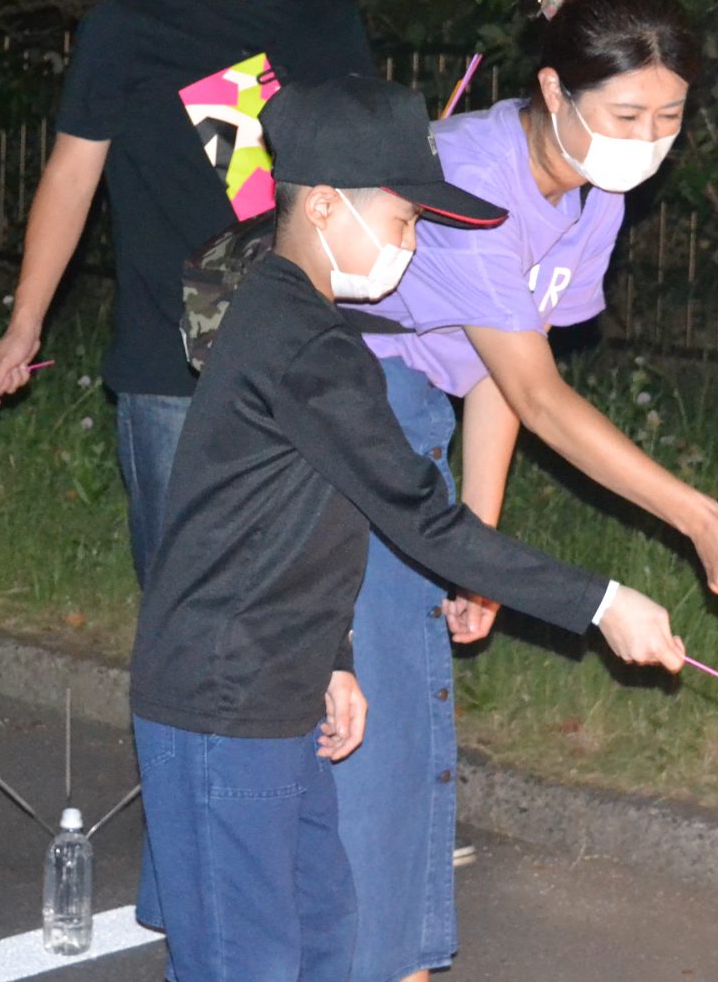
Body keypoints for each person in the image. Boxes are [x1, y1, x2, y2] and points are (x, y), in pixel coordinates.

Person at [129, 74, 687, 982]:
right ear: (321, 205)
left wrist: (335, 654)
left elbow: (307, 515)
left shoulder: (306, 325)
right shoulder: (305, 343)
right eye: (404, 221)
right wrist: (602, 601)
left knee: (320, 931)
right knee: (245, 959)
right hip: (222, 695)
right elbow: (422, 519)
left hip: (279, 683)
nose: (412, 244)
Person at [328, 0, 718, 982]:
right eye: (627, 117)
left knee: (406, 699)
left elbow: (499, 374)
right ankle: (376, 961)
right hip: (347, 410)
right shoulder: (468, 175)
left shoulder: (595, 193)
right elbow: (540, 395)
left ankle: (383, 952)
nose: (649, 142)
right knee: (388, 707)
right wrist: (702, 519)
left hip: (422, 414)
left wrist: (479, 549)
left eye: (669, 120)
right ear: (553, 86)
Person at [0, 0, 369, 583]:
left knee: (311, 607)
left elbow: (366, 179)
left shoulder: (330, 20)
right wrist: (26, 322)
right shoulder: (131, 26)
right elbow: (72, 176)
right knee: (190, 609)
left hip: (315, 357)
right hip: (177, 368)